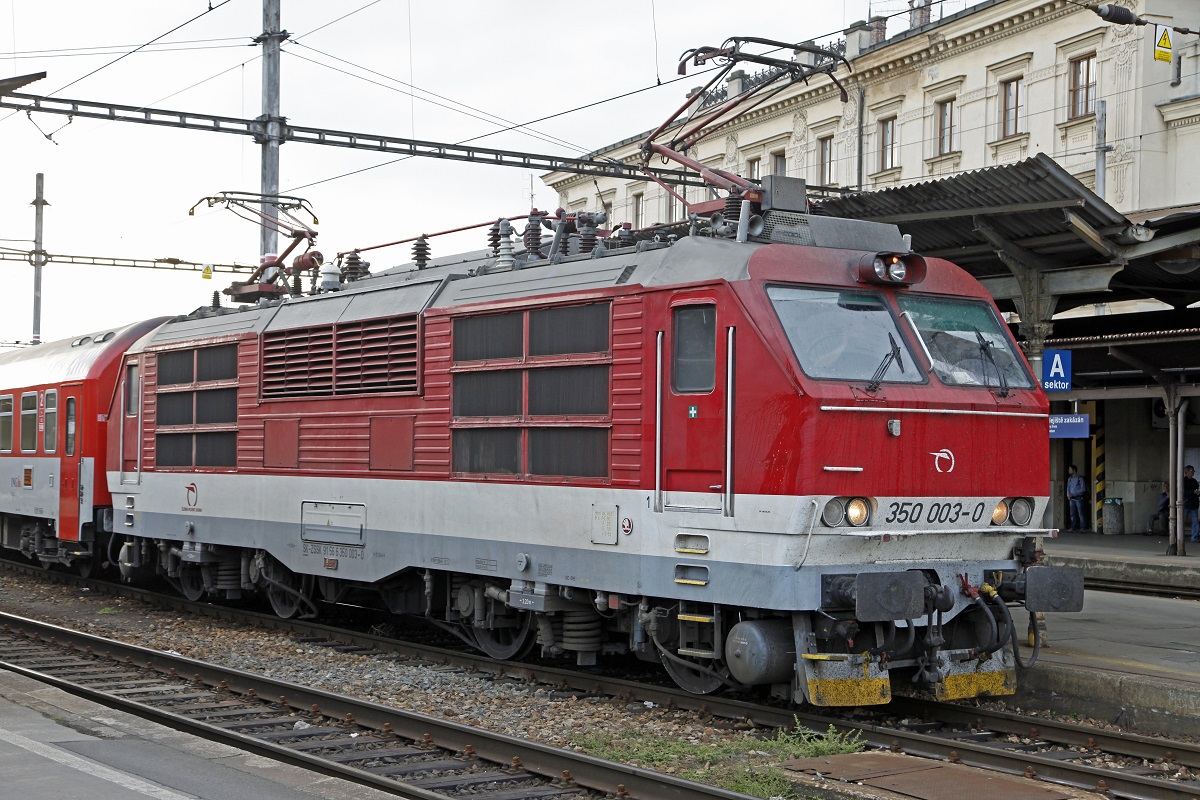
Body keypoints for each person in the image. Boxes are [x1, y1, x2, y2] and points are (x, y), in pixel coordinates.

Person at [1066, 465, 1087, 531]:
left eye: (1070, 469)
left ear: (1074, 470)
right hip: (1071, 498)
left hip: (1078, 498)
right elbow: (1068, 488)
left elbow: (1083, 489)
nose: (1069, 471)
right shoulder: (1069, 479)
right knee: (1072, 514)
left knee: (1080, 513)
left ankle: (1083, 528)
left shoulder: (1080, 478)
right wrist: (1068, 495)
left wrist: (1073, 494)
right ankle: (1073, 527)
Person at [1184, 465, 1200, 543]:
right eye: (1191, 471)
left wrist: (1197, 493)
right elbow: (1182, 492)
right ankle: (1177, 536)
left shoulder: (1194, 481)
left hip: (1193, 504)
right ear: (1187, 471)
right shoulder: (1183, 481)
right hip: (1186, 504)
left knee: (1195, 521)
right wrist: (1193, 492)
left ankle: (1194, 537)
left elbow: (1197, 490)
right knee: (1181, 521)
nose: (1193, 473)